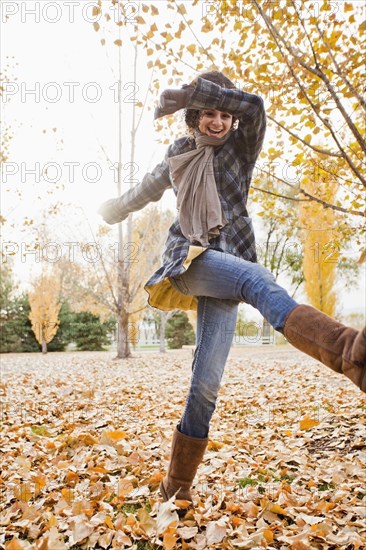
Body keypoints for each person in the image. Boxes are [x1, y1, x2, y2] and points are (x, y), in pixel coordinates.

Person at [99, 71, 365, 508]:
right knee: (256, 280)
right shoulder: (180, 154)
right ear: (194, 118)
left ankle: (175, 487)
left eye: (224, 114)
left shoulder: (241, 148)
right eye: (208, 113)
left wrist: (192, 92)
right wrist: (113, 209)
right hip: (190, 260)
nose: (218, 121)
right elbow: (145, 189)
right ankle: (348, 350)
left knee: (206, 383)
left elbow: (254, 106)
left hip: (232, 259)